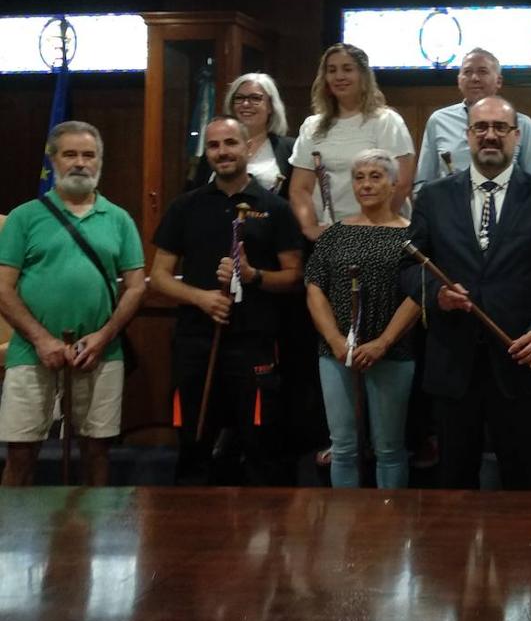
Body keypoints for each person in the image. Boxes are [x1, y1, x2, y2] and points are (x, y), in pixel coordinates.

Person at [408, 95, 531, 490]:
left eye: (500, 128)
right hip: (454, 364)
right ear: (467, 136)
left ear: (516, 137)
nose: (490, 136)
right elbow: (409, 267)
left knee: (522, 481)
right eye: (480, 128)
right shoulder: (433, 196)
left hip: (520, 360)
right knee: (454, 482)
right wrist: (437, 294)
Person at [150, 116, 304, 485]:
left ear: (248, 147)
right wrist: (201, 298)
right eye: (215, 146)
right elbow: (159, 277)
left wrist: (253, 276)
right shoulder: (185, 207)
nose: (223, 152)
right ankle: (192, 536)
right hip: (196, 341)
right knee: (195, 441)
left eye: (231, 143)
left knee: (259, 446)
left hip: (253, 343)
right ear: (207, 152)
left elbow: (294, 276)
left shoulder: (275, 208)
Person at [0, 121, 144, 486]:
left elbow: (136, 287)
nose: (80, 163)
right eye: (70, 154)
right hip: (31, 353)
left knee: (96, 452)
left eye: (88, 155)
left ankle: (88, 541)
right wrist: (41, 340)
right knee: (20, 454)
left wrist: (103, 336)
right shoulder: (24, 218)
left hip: (100, 353)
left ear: (99, 162)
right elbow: (3, 288)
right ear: (53, 161)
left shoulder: (119, 220)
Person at [305, 149, 423, 489]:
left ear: (393, 183)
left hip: (392, 351)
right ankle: (345, 531)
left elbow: (418, 295)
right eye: (359, 177)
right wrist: (336, 341)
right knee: (343, 448)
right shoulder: (334, 235)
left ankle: (389, 527)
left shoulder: (410, 236)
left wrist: (383, 342)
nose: (366, 184)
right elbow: (314, 288)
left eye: (375, 176)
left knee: (389, 448)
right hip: (337, 353)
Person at [290, 43, 415, 241]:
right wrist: (310, 228)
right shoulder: (312, 126)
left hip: (381, 234)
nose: (339, 76)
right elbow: (299, 188)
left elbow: (402, 183)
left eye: (347, 69)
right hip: (331, 236)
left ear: (363, 76)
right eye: (332, 70)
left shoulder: (386, 121)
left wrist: (372, 226)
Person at [414, 47, 531, 191]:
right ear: (459, 80)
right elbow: (423, 184)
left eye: (482, 72)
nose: (474, 78)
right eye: (467, 72)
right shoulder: (439, 121)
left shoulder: (522, 124)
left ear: (499, 81)